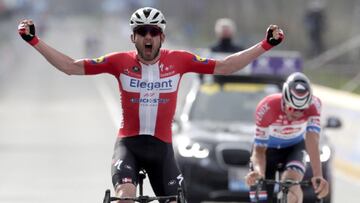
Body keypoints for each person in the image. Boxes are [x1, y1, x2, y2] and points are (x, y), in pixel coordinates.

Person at [18, 7, 284, 203]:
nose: (148, 37)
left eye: (153, 32)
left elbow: (227, 66)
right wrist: (34, 41)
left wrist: (265, 44)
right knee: (125, 197)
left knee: (175, 199)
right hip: (129, 145)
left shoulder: (179, 60)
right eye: (141, 32)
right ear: (133, 38)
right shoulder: (118, 61)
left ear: (162, 37)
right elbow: (70, 67)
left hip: (162, 148)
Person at [245, 72, 329, 203]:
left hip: (294, 147)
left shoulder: (315, 105)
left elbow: (312, 141)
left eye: (302, 110)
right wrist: (258, 172)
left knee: (292, 183)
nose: (297, 113)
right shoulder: (267, 107)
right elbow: (259, 150)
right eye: (293, 108)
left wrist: (318, 175)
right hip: (268, 150)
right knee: (259, 193)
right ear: (284, 100)